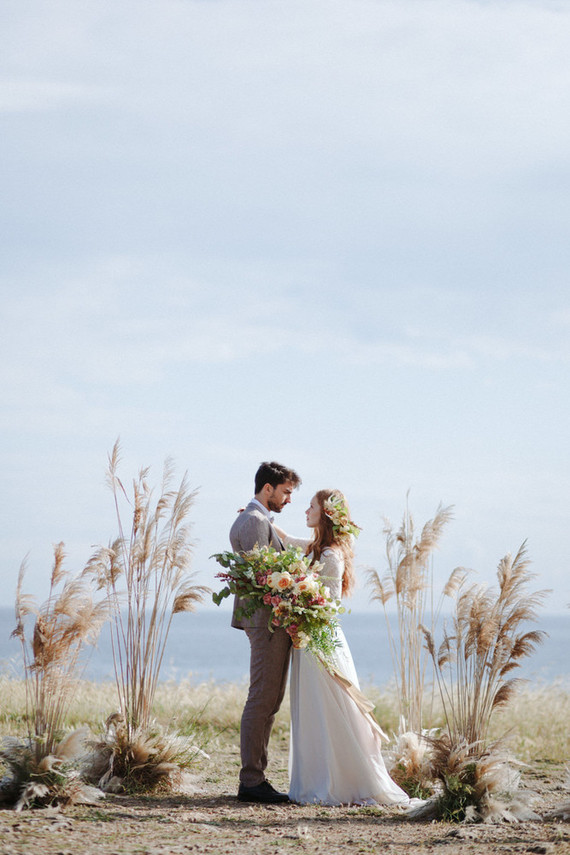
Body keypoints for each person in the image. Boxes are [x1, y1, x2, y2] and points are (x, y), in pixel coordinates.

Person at [274, 489, 412, 807]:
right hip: (307, 637)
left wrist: (299, 601)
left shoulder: (331, 555)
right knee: (313, 709)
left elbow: (330, 604)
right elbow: (290, 539)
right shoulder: (316, 549)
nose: (305, 510)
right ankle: (319, 776)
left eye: (311, 507)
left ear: (324, 514)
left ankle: (338, 781)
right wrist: (265, 521)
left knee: (329, 707)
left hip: (320, 639)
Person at [229, 460, 301, 804]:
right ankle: (251, 781)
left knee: (270, 699)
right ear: (267, 488)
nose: (289, 500)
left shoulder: (258, 521)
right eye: (286, 492)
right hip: (267, 622)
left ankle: (257, 777)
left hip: (272, 622)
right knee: (262, 698)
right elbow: (263, 577)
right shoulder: (254, 521)